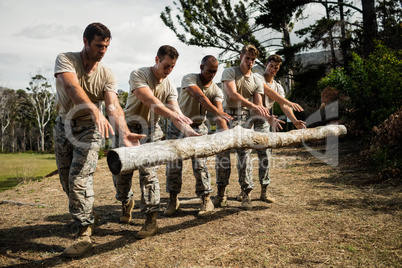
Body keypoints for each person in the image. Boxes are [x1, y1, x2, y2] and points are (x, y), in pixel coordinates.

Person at [54, 22, 145, 257]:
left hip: (90, 130)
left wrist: (123, 132)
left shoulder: (107, 74)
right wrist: (95, 110)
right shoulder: (65, 59)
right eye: (98, 45)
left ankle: (84, 234)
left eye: (106, 46)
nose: (103, 50)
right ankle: (88, 212)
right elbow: (71, 86)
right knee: (66, 182)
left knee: (78, 180)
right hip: (63, 126)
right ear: (85, 42)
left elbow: (113, 106)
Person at [113, 45, 199, 239]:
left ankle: (151, 219)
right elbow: (148, 100)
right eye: (166, 65)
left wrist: (191, 133)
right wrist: (174, 114)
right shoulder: (139, 74)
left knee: (149, 174)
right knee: (122, 177)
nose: (168, 71)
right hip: (128, 128)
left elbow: (176, 113)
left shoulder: (169, 86)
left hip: (151, 131)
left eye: (172, 67)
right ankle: (126, 201)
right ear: (157, 60)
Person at [213, 45, 284, 210]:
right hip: (226, 117)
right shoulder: (230, 72)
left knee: (244, 157)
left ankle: (246, 194)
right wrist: (253, 105)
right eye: (247, 58)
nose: (250, 62)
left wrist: (267, 117)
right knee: (222, 157)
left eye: (253, 59)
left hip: (245, 120)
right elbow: (232, 94)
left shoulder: (256, 81)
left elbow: (258, 106)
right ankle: (221, 194)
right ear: (241, 57)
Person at [164, 55, 233, 217]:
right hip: (177, 125)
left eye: (215, 72)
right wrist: (219, 112)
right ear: (201, 67)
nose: (212, 74)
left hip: (198, 127)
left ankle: (205, 199)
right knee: (173, 165)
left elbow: (219, 117)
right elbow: (199, 96)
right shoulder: (189, 78)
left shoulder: (216, 90)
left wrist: (226, 134)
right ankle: (173, 199)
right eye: (209, 71)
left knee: (200, 164)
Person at [241, 54, 307, 203]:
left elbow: (283, 106)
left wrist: (295, 121)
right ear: (266, 64)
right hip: (249, 118)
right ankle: (245, 191)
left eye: (276, 68)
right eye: (271, 66)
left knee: (265, 155)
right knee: (245, 155)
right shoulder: (257, 76)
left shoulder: (278, 86)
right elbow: (268, 92)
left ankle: (264, 191)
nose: (273, 69)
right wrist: (287, 101)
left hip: (265, 121)